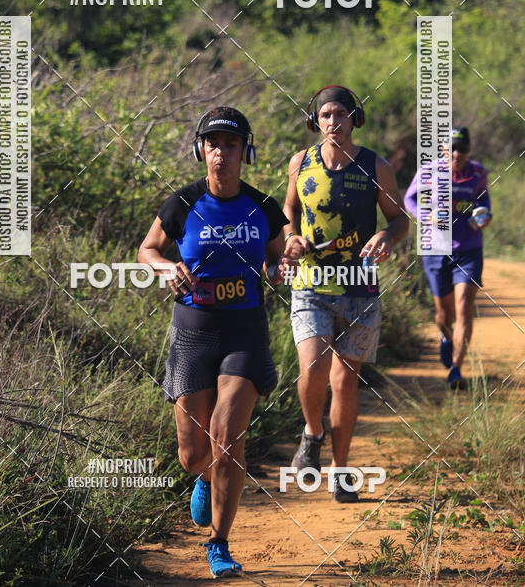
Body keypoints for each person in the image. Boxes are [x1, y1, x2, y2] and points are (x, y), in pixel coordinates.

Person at [138, 107, 289, 578]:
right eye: (213, 143)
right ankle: (203, 477)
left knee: (228, 437)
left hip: (244, 330)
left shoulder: (264, 208)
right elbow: (147, 250)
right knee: (193, 454)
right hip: (193, 333)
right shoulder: (183, 204)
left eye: (231, 144)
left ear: (246, 151)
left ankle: (218, 543)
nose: (221, 152)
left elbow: (277, 259)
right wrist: (166, 268)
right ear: (201, 149)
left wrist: (282, 268)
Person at [282, 86, 408, 501]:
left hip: (360, 288)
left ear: (355, 118)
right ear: (314, 121)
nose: (333, 122)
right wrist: (291, 238)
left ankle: (339, 471)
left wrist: (387, 236)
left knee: (345, 380)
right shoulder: (301, 163)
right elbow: (289, 213)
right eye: (325, 115)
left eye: (341, 114)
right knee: (313, 368)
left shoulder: (376, 166)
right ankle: (312, 432)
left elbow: (398, 219)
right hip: (311, 284)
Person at [404, 126, 491, 389]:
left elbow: (484, 202)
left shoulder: (478, 172)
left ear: (469, 149)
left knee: (464, 305)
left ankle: (456, 369)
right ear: (443, 148)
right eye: (451, 148)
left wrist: (483, 217)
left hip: (468, 248)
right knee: (443, 315)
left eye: (462, 149)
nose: (456, 154)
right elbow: (409, 200)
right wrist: (425, 216)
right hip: (436, 249)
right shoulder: (429, 171)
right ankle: (445, 337)